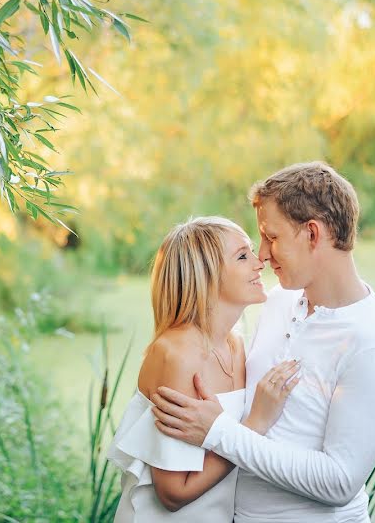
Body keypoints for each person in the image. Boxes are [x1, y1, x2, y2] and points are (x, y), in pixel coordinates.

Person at [150, 162, 375, 522]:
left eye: (271, 237)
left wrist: (219, 432)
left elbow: (340, 482)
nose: (263, 255)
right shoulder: (276, 303)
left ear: (313, 235)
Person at [107, 216, 301, 522]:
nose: (259, 261)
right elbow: (172, 493)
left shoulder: (236, 347)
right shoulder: (179, 356)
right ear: (206, 276)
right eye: (242, 256)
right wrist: (254, 428)